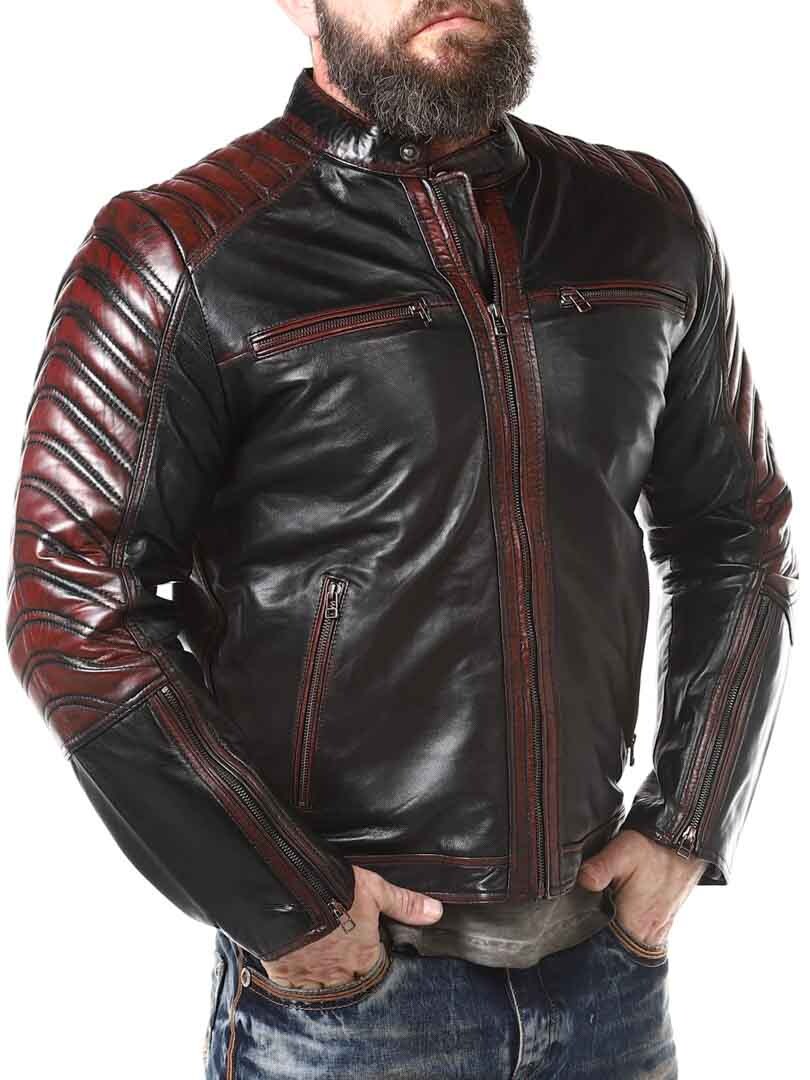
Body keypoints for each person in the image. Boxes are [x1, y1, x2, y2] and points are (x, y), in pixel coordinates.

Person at [6, 1, 798, 1077]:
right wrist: (289, 903)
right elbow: (73, 602)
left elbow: (737, 536)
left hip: (607, 981)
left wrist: (687, 821)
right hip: (351, 1002)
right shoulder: (182, 248)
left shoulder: (643, 219)